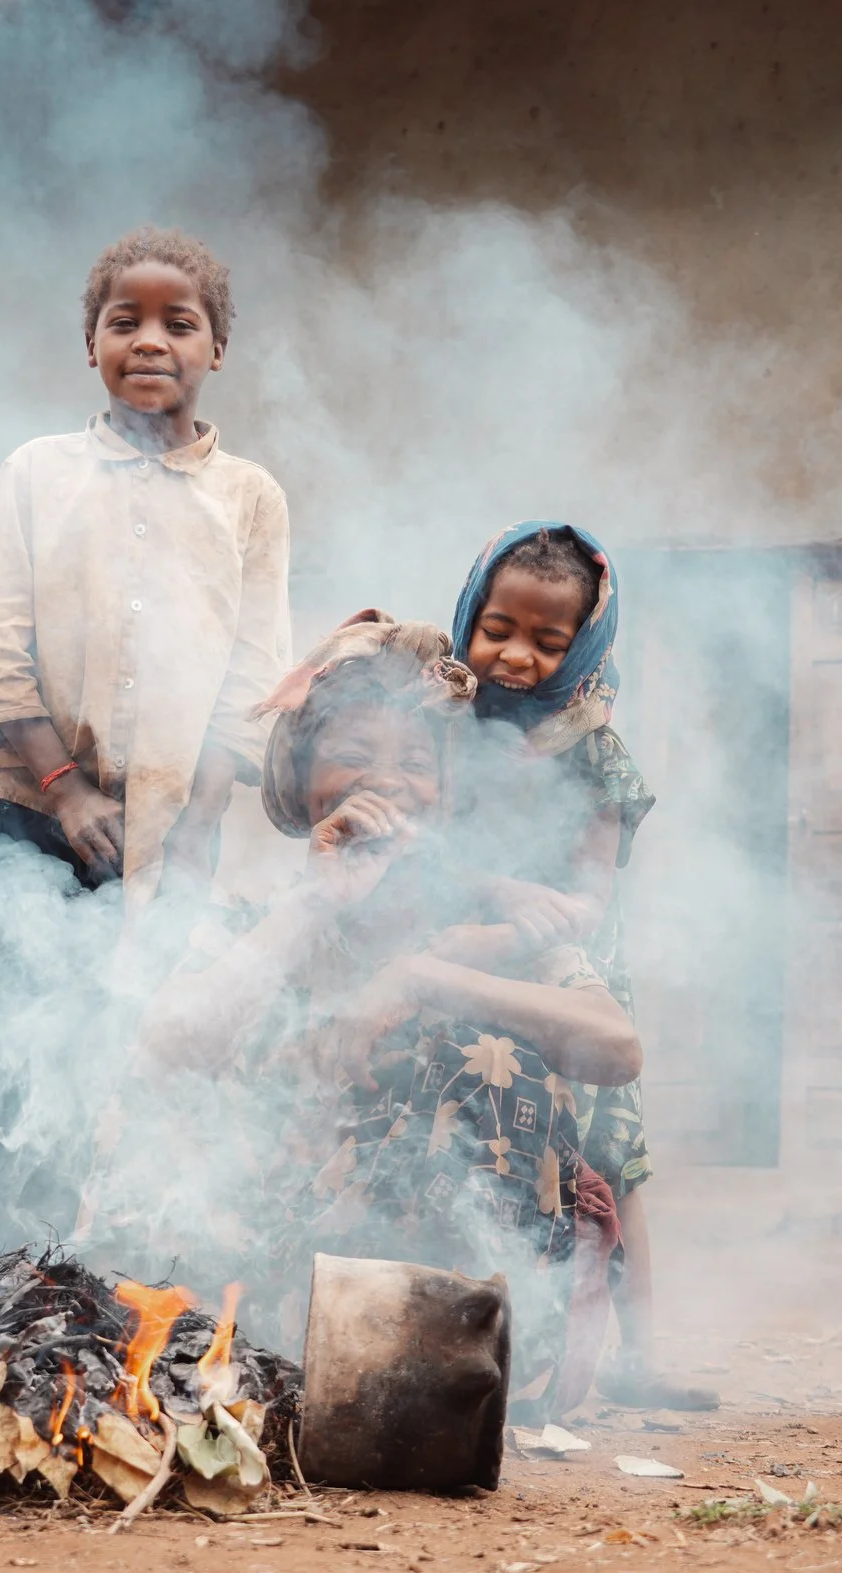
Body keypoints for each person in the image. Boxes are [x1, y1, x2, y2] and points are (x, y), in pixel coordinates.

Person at [121, 617, 640, 1410]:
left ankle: (443, 1370)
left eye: (415, 764)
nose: (388, 782)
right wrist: (316, 902)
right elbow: (165, 1048)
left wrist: (424, 977)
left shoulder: (489, 929)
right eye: (355, 756)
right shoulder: (265, 920)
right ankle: (280, 1361)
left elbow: (617, 1046)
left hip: (463, 1323)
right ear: (302, 783)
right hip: (278, 1295)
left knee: (483, 1053)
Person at [0, 226, 292, 1259]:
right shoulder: (36, 475)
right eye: (121, 320)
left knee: (139, 1047)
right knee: (22, 1049)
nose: (149, 341)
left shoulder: (249, 498)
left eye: (178, 323)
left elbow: (250, 678)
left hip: (182, 822)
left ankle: (110, 1282)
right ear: (87, 342)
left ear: (215, 349)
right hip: (40, 811)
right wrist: (65, 788)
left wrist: (193, 824)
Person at [447, 520, 717, 1412]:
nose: (515, 656)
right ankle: (486, 1354)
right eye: (498, 629)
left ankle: (639, 1358)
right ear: (469, 615)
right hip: (461, 963)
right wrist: (491, 888)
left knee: (615, 1164)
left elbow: (589, 898)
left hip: (572, 980)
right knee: (482, 1148)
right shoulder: (436, 724)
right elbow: (416, 846)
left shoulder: (595, 749)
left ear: (583, 645)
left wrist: (536, 913)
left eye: (547, 640)